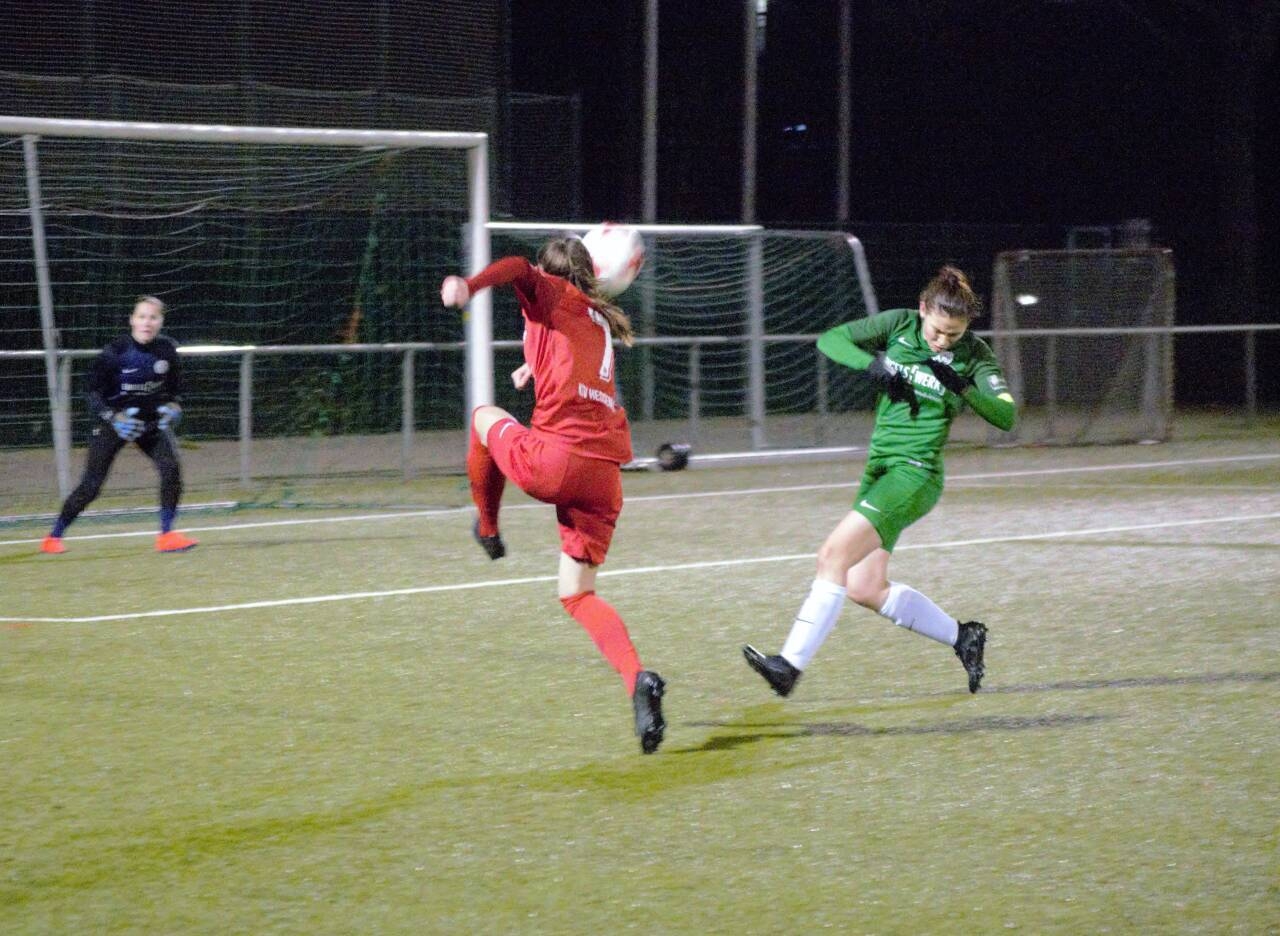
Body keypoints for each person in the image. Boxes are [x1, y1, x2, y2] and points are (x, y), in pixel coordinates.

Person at [743, 265, 1016, 697]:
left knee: (832, 555)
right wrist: (873, 365)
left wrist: (964, 388)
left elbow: (1006, 416)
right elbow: (832, 340)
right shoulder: (898, 325)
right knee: (864, 586)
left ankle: (789, 666)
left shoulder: (976, 355)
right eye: (937, 331)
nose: (942, 341)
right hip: (880, 470)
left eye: (954, 334)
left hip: (915, 474)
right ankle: (962, 636)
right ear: (923, 309)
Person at [439, 238, 666, 754]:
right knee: (578, 594)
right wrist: (534, 368)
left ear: (550, 275)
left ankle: (489, 529)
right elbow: (572, 365)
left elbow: (516, 267)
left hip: (556, 462)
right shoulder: (597, 317)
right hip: (603, 479)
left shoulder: (551, 293)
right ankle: (638, 679)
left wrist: (469, 286)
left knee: (483, 418)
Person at [41, 296, 197, 555]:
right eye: (142, 316)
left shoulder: (168, 350)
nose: (147, 322)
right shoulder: (115, 352)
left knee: (171, 470)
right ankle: (53, 537)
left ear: (161, 322)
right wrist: (113, 418)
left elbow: (175, 390)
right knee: (91, 486)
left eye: (153, 317)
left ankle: (167, 535)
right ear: (132, 320)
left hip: (149, 422)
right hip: (113, 423)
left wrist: (174, 406)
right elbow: (91, 392)